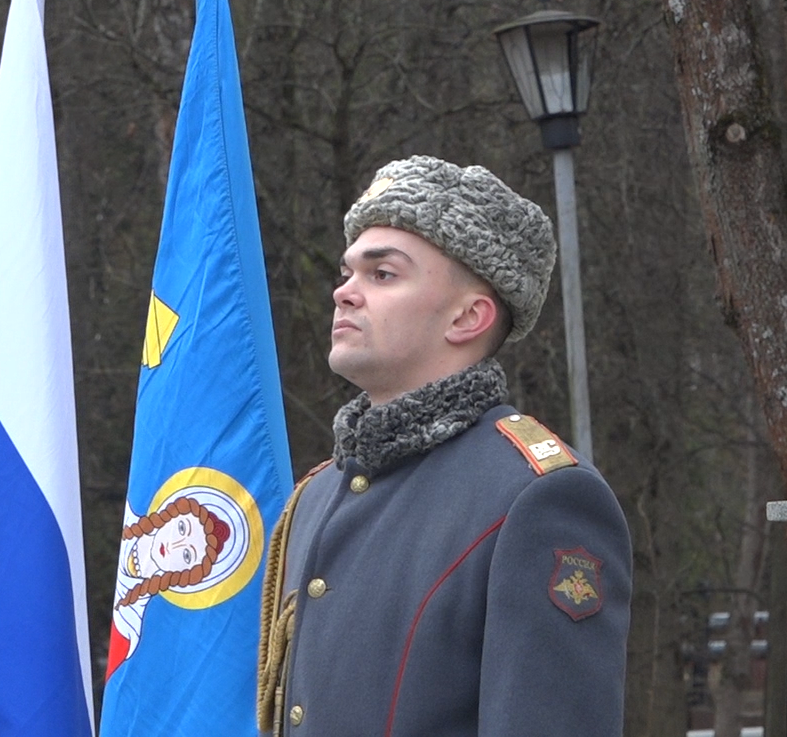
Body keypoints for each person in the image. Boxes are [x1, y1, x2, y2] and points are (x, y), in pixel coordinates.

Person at [256, 155, 631, 736]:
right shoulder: (316, 494)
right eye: (348, 271)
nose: (344, 293)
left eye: (382, 274)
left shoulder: (539, 497)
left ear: (468, 317)